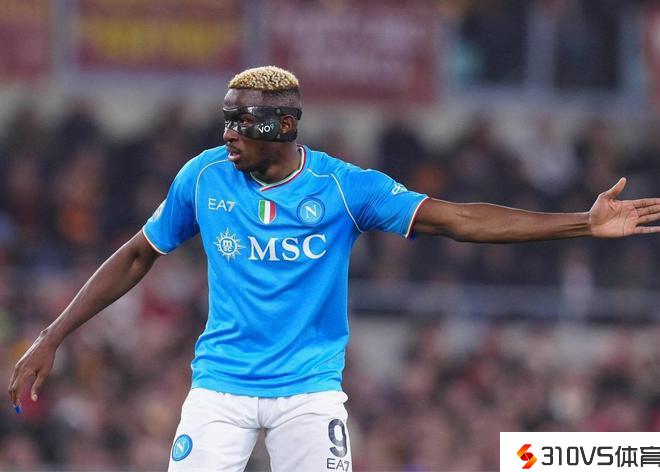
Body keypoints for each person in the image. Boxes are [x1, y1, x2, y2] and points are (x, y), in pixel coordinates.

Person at [8, 66, 660, 471]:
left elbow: (460, 219)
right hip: (220, 389)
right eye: (226, 118)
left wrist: (581, 223)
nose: (229, 133)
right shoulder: (202, 177)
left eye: (244, 121)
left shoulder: (346, 188)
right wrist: (52, 335)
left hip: (309, 393)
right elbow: (136, 254)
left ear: (285, 125)